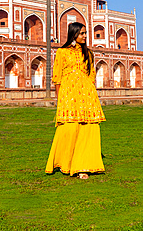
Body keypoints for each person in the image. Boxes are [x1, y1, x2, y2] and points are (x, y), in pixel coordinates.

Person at [45, 22, 106, 179]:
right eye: (82, 34)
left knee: (89, 128)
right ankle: (65, 162)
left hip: (87, 95)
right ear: (74, 34)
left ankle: (83, 166)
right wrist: (59, 100)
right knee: (69, 129)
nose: (85, 36)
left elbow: (91, 74)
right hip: (68, 95)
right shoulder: (62, 52)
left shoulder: (89, 53)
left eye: (85, 33)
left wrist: (90, 91)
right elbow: (57, 78)